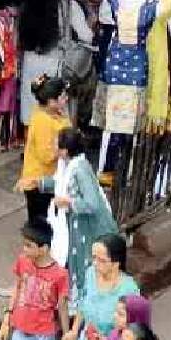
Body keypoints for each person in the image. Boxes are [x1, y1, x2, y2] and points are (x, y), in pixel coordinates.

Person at [45, 128, 118, 304]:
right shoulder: (68, 166)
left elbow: (92, 203)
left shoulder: (80, 170)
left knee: (90, 269)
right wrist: (38, 183)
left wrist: (68, 202)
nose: (53, 146)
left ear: (65, 150)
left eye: (56, 143)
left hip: (90, 230)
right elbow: (60, 183)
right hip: (78, 228)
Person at [0, 222, 71, 340]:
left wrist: (66, 339)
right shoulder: (22, 261)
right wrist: (6, 320)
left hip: (43, 338)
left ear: (44, 249)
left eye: (29, 246)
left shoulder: (60, 274)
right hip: (19, 331)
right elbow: (17, 288)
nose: (24, 249)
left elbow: (62, 306)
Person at [63, 234, 140, 340]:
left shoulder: (129, 289)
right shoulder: (90, 274)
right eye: (94, 257)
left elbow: (134, 330)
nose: (95, 263)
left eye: (102, 260)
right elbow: (83, 303)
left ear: (116, 263)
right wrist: (74, 331)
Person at [17, 78, 72, 229]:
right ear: (51, 101)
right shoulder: (43, 121)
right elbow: (46, 156)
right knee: (42, 227)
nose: (66, 99)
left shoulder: (53, 113)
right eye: (63, 96)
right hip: (39, 184)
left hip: (49, 179)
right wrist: (65, 149)